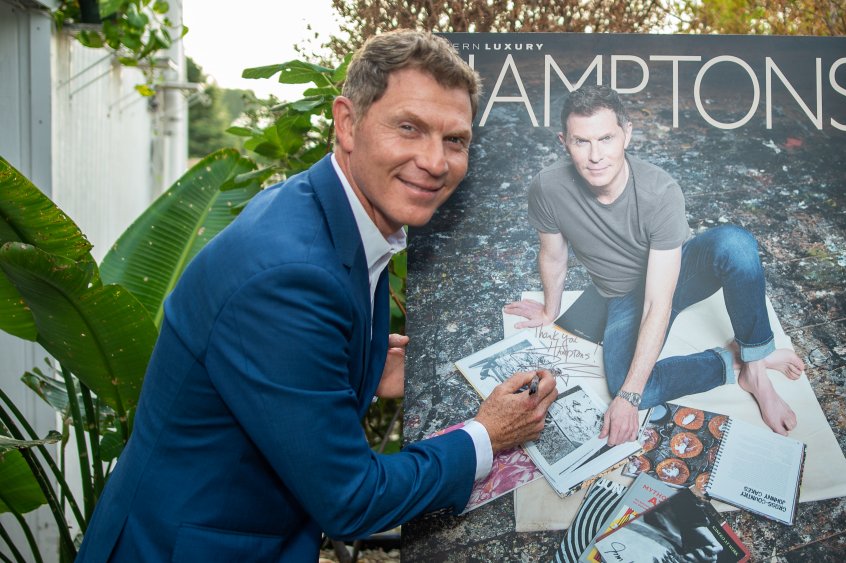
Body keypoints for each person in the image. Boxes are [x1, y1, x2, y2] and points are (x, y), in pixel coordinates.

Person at [77, 30, 557, 562]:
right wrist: (487, 435)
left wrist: (360, 367)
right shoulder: (290, 273)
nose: (436, 161)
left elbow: (271, 380)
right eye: (409, 128)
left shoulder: (328, 214)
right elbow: (352, 499)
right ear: (347, 123)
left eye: (455, 140)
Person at [504, 85, 804, 447]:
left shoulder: (660, 191)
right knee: (631, 386)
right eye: (582, 141)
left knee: (736, 246)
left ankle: (756, 367)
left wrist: (627, 400)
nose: (596, 155)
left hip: (672, 274)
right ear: (564, 141)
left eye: (606, 138)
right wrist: (550, 311)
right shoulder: (547, 188)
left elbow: (658, 302)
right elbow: (553, 254)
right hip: (620, 295)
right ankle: (730, 364)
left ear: (626, 134)